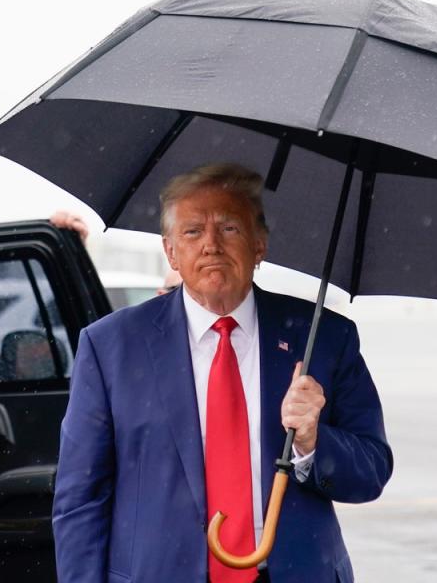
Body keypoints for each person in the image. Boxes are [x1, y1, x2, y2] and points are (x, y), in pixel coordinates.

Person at [52, 163, 392, 582]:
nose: (211, 244)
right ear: (171, 251)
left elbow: (372, 471)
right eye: (193, 231)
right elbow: (80, 500)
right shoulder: (111, 347)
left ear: (259, 244)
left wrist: (313, 441)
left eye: (229, 228)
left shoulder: (323, 338)